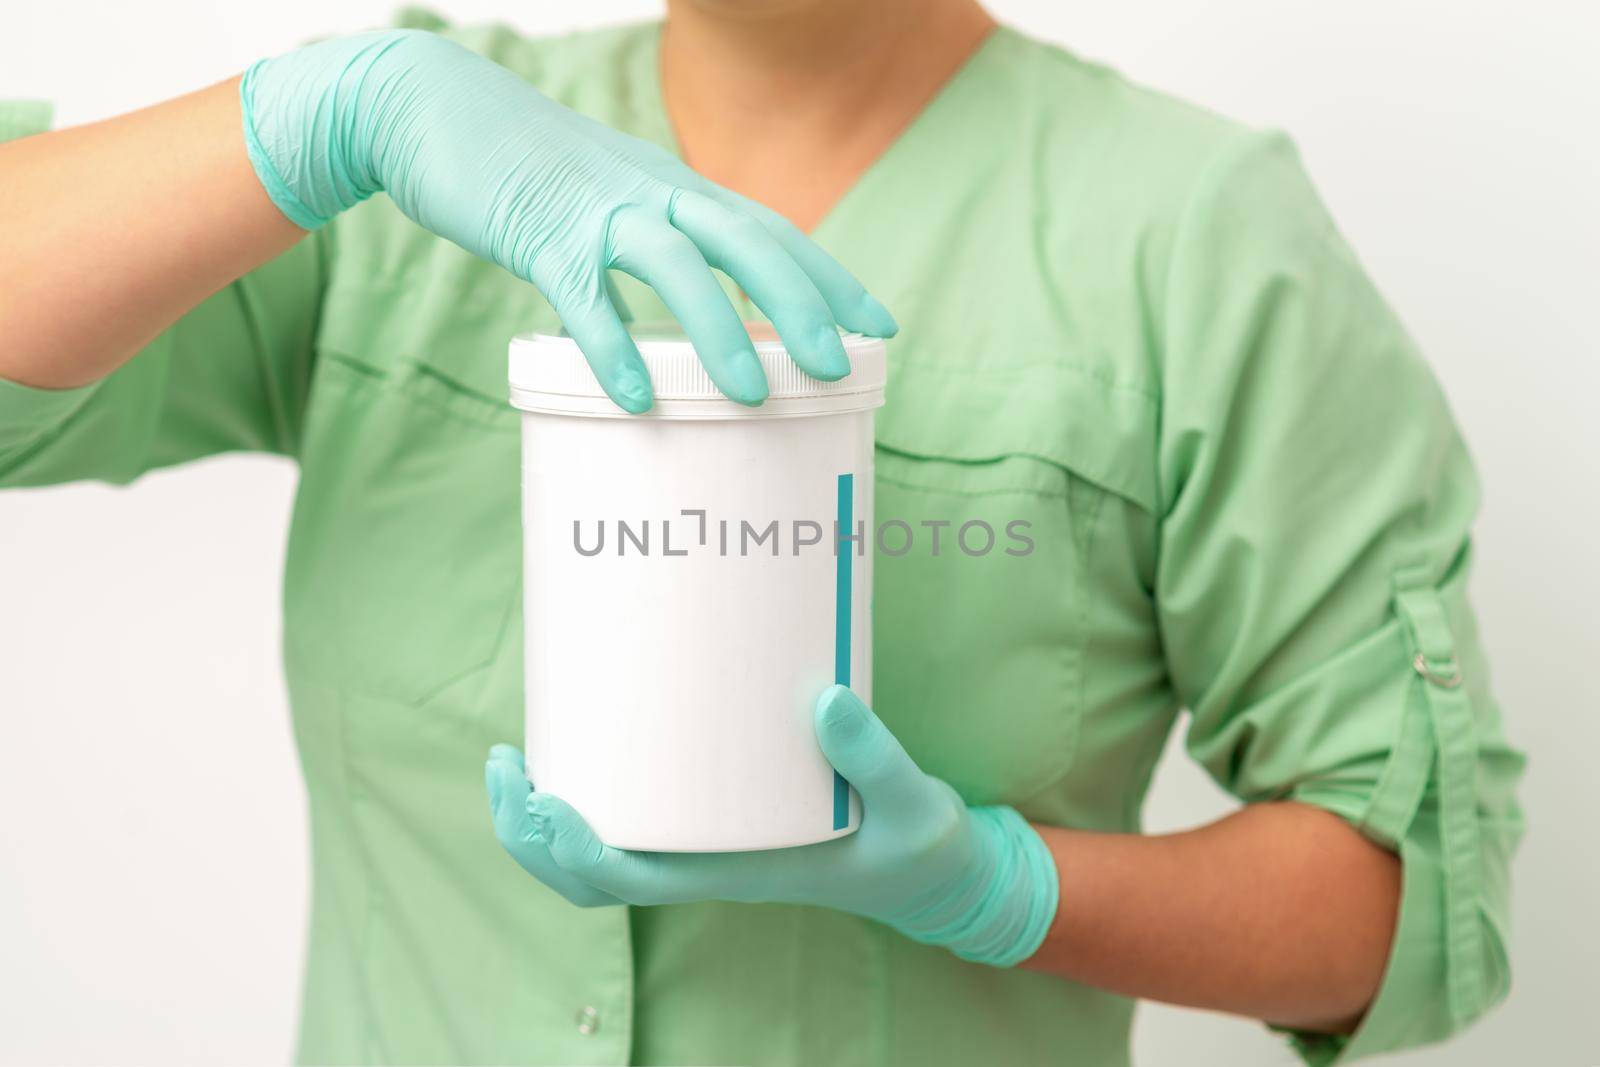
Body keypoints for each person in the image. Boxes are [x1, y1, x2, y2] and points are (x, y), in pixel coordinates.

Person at [0, 0, 1525, 1063]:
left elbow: (1390, 911)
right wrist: (332, 110)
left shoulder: (1196, 235)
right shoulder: (409, 175)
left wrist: (998, 890)